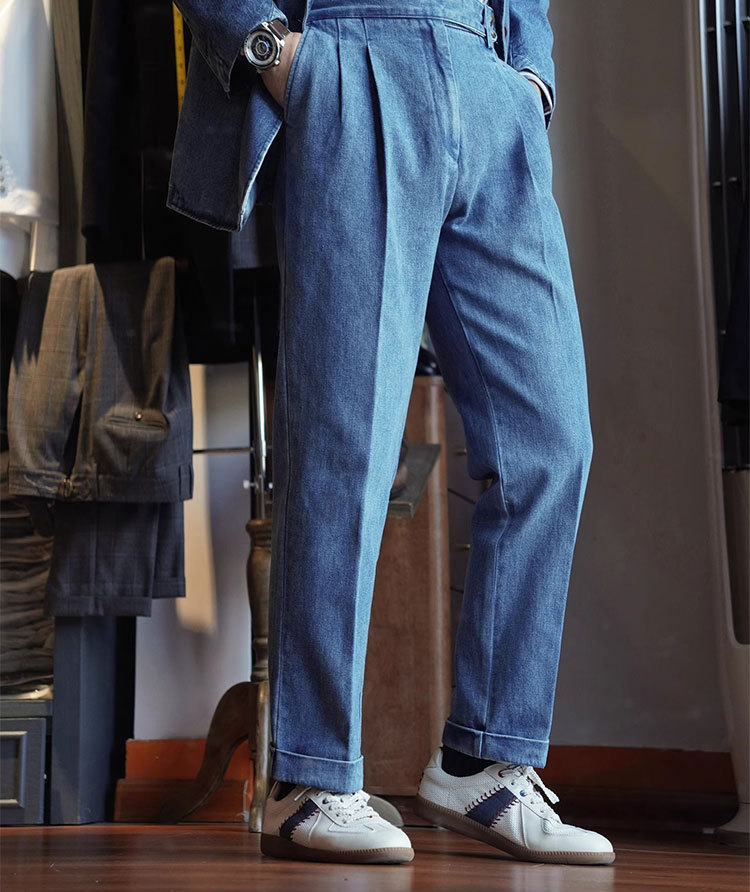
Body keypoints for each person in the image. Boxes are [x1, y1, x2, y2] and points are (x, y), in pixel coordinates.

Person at [169, 0, 616, 867]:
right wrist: (269, 49)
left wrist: (530, 78)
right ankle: (308, 777)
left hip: (490, 78)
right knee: (348, 445)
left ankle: (484, 762)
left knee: (550, 443)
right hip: (355, 56)